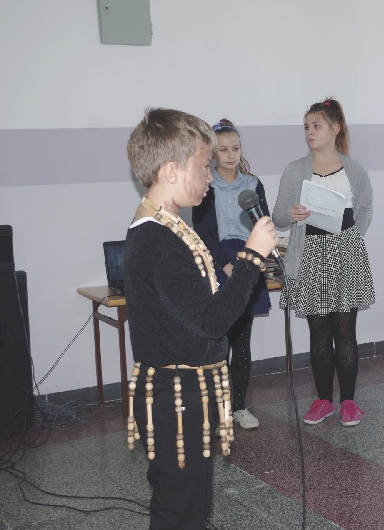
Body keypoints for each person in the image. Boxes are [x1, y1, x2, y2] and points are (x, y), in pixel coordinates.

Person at [123, 108, 278, 529]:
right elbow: (211, 321)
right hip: (176, 394)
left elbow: (197, 310)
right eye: (203, 166)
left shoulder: (167, 226)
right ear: (172, 171)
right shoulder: (156, 239)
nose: (210, 176)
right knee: (180, 510)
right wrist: (251, 257)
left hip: (187, 388)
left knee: (191, 504)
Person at [271, 98, 375, 427]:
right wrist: (291, 213)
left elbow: (364, 211)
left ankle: (348, 402)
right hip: (310, 254)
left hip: (345, 253)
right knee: (318, 332)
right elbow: (278, 216)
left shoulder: (354, 170)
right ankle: (323, 400)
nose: (310, 132)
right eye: (306, 127)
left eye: (316, 126)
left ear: (335, 128)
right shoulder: (295, 170)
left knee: (345, 332)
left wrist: (350, 239)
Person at [192, 118, 271, 430]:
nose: (230, 155)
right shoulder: (206, 186)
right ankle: (217, 410)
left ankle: (239, 407)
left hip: (248, 257)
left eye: (235, 148)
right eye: (223, 149)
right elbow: (203, 233)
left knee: (241, 339)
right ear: (213, 153)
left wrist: (252, 259)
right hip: (217, 261)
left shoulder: (252, 185)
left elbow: (262, 224)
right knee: (218, 341)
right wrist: (225, 264)